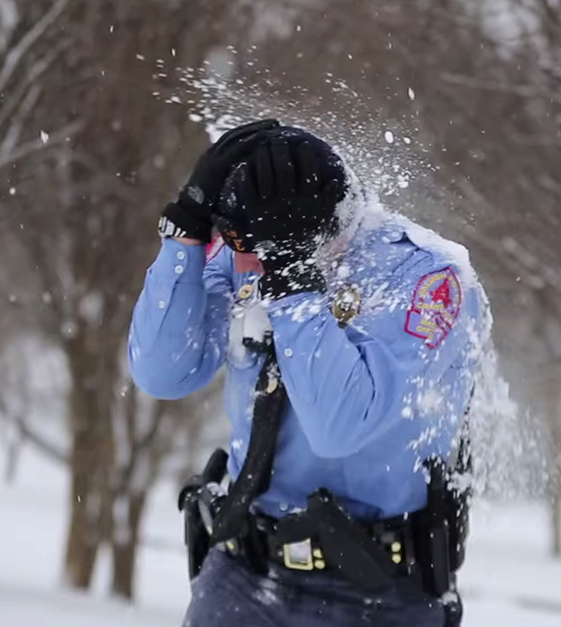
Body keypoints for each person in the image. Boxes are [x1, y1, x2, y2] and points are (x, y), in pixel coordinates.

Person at [128, 119, 487, 627]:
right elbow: (163, 372)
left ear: (319, 231)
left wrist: (293, 279)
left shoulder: (424, 277)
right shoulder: (246, 251)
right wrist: (184, 232)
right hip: (245, 570)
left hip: (378, 590)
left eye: (251, 248)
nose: (242, 263)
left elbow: (338, 427)